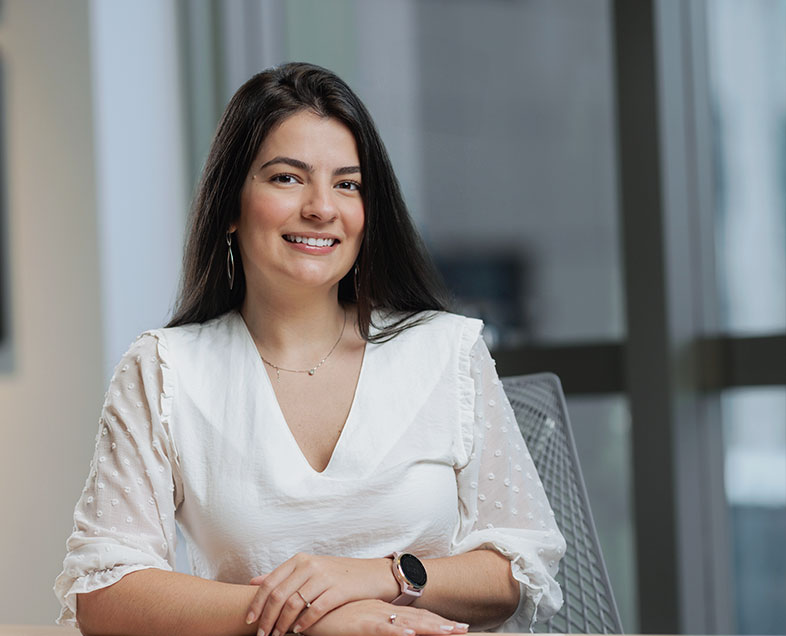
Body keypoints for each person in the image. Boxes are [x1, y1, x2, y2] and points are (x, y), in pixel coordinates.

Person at [54, 62, 565, 636]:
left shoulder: (448, 351)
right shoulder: (165, 370)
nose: (323, 207)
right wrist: (312, 621)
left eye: (347, 184)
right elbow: (104, 591)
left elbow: (520, 569)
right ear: (230, 207)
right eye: (287, 178)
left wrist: (376, 577)